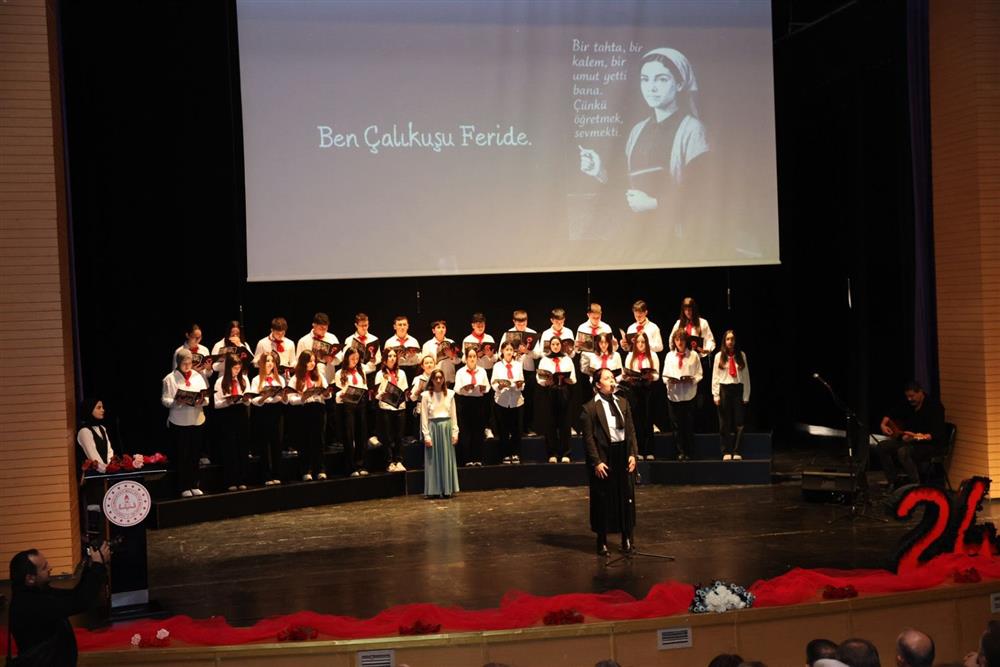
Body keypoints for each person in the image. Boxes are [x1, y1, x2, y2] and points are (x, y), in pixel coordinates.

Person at [579, 48, 708, 223]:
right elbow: (628, 184)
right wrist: (599, 171)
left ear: (679, 84)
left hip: (674, 232)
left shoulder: (693, 131)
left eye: (662, 79)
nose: (651, 88)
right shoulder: (638, 130)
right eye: (645, 79)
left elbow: (701, 195)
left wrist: (653, 204)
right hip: (638, 230)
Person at [8, 543, 110, 665]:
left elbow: (75, 594)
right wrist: (98, 565)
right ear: (30, 578)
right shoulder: (29, 604)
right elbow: (80, 602)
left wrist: (90, 565)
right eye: (44, 567)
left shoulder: (37, 592)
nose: (50, 568)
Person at [582, 368, 638, 555]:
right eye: (607, 378)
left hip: (622, 452)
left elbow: (630, 430)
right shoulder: (590, 408)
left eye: (613, 378)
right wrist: (596, 461)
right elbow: (588, 439)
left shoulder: (622, 402)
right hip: (604, 455)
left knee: (626, 496)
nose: (612, 381)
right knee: (603, 498)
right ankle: (602, 540)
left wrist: (633, 454)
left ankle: (627, 537)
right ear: (598, 384)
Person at [877, 380, 946, 487]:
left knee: (903, 451)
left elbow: (936, 434)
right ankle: (893, 482)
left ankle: (915, 485)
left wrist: (915, 437)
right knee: (882, 446)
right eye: (907, 396)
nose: (909, 399)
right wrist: (883, 424)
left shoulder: (934, 406)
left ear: (920, 392)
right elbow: (892, 412)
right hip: (911, 441)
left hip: (929, 445)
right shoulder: (909, 404)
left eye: (912, 396)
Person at [161, 348, 208, 497]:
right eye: (184, 363)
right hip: (179, 421)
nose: (188, 366)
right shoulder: (170, 378)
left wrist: (202, 400)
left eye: (189, 363)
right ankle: (183, 486)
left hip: (196, 419)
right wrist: (177, 401)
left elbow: (206, 397)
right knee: (182, 455)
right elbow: (165, 400)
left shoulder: (197, 376)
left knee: (195, 455)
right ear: (178, 363)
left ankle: (194, 484)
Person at [287, 349, 330, 481]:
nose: (312, 363)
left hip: (318, 409)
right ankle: (306, 470)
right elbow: (290, 399)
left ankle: (320, 469)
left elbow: (327, 394)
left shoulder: (319, 376)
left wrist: (327, 393)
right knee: (305, 441)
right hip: (304, 410)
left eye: (314, 361)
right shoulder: (296, 378)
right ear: (303, 362)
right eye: (309, 361)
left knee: (319, 441)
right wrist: (302, 398)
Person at [213, 353, 251, 491]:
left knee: (242, 447)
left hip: (241, 413)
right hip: (227, 415)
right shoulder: (220, 381)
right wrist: (227, 401)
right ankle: (231, 480)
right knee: (230, 448)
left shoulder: (244, 379)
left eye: (239, 368)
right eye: (235, 368)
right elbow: (216, 404)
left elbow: (249, 400)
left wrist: (246, 400)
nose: (237, 371)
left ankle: (242, 479)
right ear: (229, 367)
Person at [663, 329, 703, 461]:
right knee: (676, 426)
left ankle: (689, 452)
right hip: (674, 395)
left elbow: (699, 374)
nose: (679, 342)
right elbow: (664, 376)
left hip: (688, 395)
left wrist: (691, 380)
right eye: (677, 340)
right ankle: (680, 452)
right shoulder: (669, 356)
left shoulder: (693, 355)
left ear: (686, 341)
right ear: (674, 341)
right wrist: (670, 380)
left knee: (688, 424)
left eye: (682, 340)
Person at [249, 350, 287, 486]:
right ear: (261, 363)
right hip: (263, 412)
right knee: (264, 445)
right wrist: (264, 397)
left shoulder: (280, 379)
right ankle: (266, 475)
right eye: (267, 361)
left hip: (277, 411)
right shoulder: (256, 379)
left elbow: (285, 400)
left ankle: (277, 474)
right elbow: (253, 400)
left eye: (272, 361)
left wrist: (284, 396)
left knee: (277, 443)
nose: (270, 363)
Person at [537, 335, 577, 463]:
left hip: (564, 392)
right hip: (550, 392)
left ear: (561, 345)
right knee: (551, 423)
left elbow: (573, 378)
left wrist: (569, 380)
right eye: (553, 344)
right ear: (550, 346)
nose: (555, 346)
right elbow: (539, 378)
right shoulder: (544, 360)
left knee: (565, 423)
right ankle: (552, 453)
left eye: (558, 344)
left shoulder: (567, 359)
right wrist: (546, 381)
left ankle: (566, 453)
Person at [421, 368, 460, 498]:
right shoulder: (426, 396)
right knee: (433, 460)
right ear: (432, 380)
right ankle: (434, 489)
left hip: (446, 429)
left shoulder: (450, 394)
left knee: (446, 458)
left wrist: (455, 432)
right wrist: (426, 435)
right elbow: (424, 417)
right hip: (433, 428)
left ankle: (446, 488)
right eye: (435, 378)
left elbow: (453, 415)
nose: (438, 380)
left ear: (443, 379)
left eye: (440, 378)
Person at [712, 330, 750, 461]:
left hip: (738, 388)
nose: (730, 341)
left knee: (739, 422)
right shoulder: (719, 356)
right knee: (724, 422)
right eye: (728, 339)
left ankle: (737, 450)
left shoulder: (741, 355)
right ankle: (726, 451)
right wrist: (715, 394)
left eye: (732, 339)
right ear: (724, 341)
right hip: (724, 388)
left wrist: (746, 394)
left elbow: (746, 376)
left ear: (735, 341)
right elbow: (715, 377)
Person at [621, 332, 660, 460]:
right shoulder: (630, 356)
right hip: (634, 389)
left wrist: (650, 376)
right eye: (638, 342)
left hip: (648, 389)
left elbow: (657, 375)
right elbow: (625, 373)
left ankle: (649, 450)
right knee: (636, 420)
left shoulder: (652, 355)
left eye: (643, 342)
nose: (640, 344)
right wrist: (628, 377)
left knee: (648, 419)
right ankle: (638, 450)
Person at [499, 309, 538, 434]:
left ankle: (527, 428)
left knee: (529, 400)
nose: (521, 325)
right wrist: (513, 354)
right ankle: (511, 429)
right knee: (511, 398)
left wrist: (527, 351)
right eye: (519, 323)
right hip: (513, 370)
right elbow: (500, 353)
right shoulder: (508, 334)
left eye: (524, 323)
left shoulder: (532, 333)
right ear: (514, 321)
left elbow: (538, 354)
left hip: (528, 370)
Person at [334, 347, 370, 476]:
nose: (355, 361)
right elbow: (338, 392)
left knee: (361, 434)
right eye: (352, 358)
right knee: (349, 435)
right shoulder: (340, 373)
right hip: (347, 406)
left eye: (357, 358)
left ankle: (361, 464)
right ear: (346, 358)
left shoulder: (361, 371)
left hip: (360, 404)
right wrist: (343, 393)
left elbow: (365, 386)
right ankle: (351, 467)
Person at [374, 348, 409, 472]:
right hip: (386, 407)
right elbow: (376, 394)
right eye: (390, 356)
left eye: (394, 356)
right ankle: (389, 462)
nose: (393, 358)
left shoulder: (401, 373)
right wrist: (382, 394)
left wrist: (405, 394)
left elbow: (404, 390)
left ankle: (399, 461)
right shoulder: (380, 374)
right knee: (387, 436)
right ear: (384, 359)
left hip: (399, 407)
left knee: (399, 436)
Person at [454, 346, 489, 466]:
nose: (472, 359)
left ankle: (478, 458)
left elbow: (488, 387)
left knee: (478, 431)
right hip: (465, 402)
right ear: (466, 358)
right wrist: (464, 388)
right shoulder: (460, 372)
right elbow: (456, 389)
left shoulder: (482, 371)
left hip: (478, 402)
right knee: (466, 432)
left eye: (474, 356)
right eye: (470, 356)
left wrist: (483, 388)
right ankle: (467, 459)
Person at [491, 341, 525, 464]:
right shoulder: (497, 366)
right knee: (503, 430)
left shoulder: (518, 365)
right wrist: (500, 386)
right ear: (502, 351)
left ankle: (515, 454)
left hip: (516, 401)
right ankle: (505, 454)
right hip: (502, 401)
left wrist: (518, 385)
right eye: (507, 350)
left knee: (516, 430)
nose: (509, 352)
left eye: (511, 350)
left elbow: (522, 382)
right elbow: (493, 383)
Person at [77, 398, 114, 471]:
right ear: (90, 409)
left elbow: (109, 451)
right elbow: (93, 457)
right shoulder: (84, 431)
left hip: (106, 472)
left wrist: (111, 466)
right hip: (94, 474)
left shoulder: (102, 428)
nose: (103, 410)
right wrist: (106, 469)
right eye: (99, 407)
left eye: (102, 407)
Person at [422, 319, 457, 385]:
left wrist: (451, 356)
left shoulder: (451, 342)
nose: (441, 329)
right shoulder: (427, 345)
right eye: (438, 327)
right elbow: (424, 364)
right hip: (434, 379)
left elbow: (458, 361)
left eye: (443, 327)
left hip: (449, 379)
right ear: (433, 331)